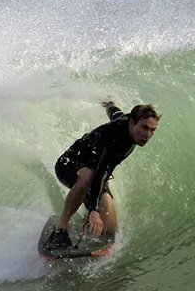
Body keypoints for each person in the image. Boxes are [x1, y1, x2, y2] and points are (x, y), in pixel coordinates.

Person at [44, 100, 161, 250]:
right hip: (68, 165)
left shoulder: (127, 121)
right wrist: (94, 209)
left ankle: (88, 212)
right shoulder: (114, 138)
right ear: (132, 123)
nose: (148, 134)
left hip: (96, 172)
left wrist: (109, 104)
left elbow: (115, 114)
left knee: (109, 229)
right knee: (88, 176)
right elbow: (99, 173)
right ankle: (60, 229)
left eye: (153, 130)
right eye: (145, 128)